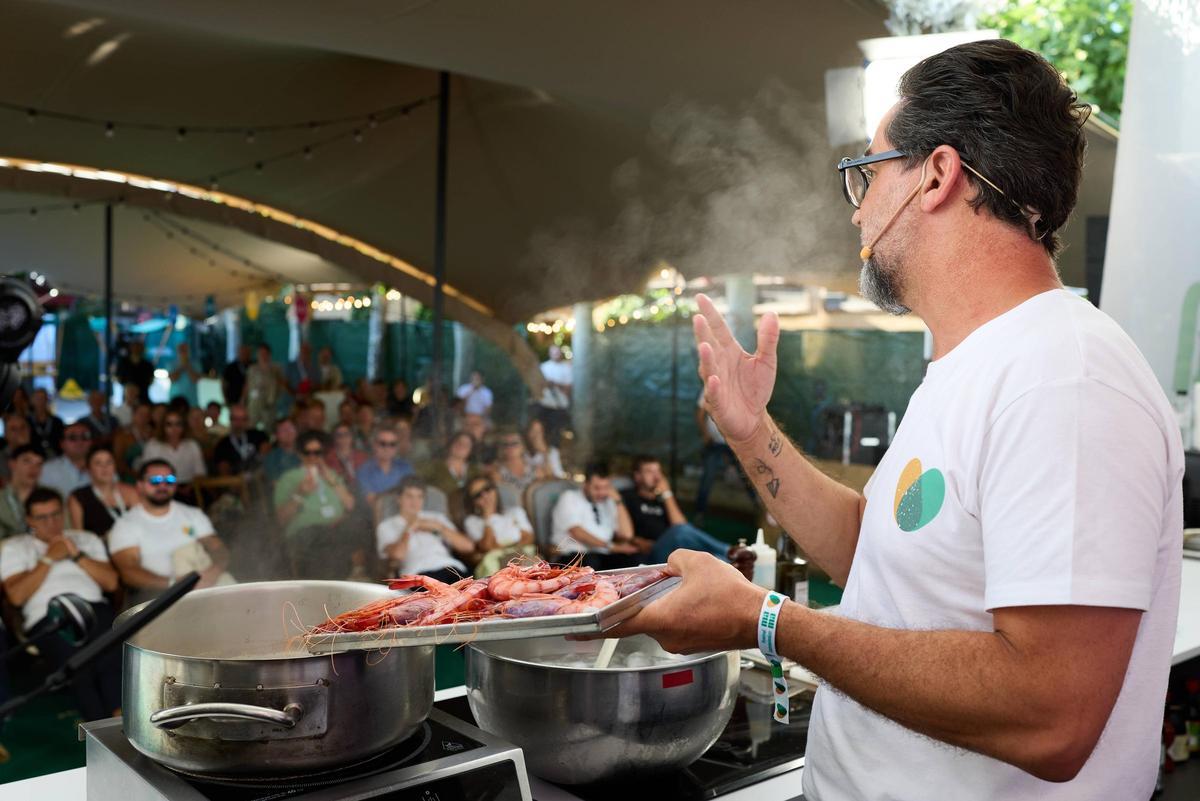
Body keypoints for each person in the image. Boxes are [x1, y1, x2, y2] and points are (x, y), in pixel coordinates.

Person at [617, 40, 1182, 801]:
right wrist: (752, 432)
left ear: (937, 176)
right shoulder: (970, 364)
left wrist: (766, 619)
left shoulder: (1064, 379)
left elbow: (1050, 715)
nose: (859, 206)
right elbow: (879, 559)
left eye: (869, 172)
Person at [0, 487, 121, 721]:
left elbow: (111, 582)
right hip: (49, 615)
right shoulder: (16, 547)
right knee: (78, 664)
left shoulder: (85, 539)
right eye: (42, 518)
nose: (51, 523)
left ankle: (121, 719)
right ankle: (100, 728)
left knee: (111, 654)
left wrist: (76, 555)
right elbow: (16, 596)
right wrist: (48, 558)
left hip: (93, 606)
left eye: (56, 514)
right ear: (29, 520)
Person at [109, 459, 231, 605]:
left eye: (170, 480)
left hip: (206, 585)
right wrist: (175, 583)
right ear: (139, 486)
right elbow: (128, 572)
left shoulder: (192, 514)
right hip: (158, 597)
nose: (163, 485)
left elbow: (219, 549)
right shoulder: (126, 525)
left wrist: (213, 573)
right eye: (155, 480)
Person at [274, 431, 359, 578]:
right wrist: (299, 493)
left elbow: (350, 504)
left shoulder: (330, 474)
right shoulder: (289, 478)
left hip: (336, 528)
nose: (313, 457)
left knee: (356, 527)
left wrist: (331, 480)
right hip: (306, 532)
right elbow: (281, 519)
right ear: (300, 454)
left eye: (318, 453)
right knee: (325, 547)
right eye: (308, 453)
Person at [620, 455, 729, 562]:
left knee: (718, 559)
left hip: (673, 551)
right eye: (649, 472)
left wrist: (667, 494)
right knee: (679, 531)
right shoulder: (628, 497)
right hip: (650, 554)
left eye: (658, 471)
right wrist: (635, 541)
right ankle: (729, 551)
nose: (657, 477)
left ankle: (729, 556)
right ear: (637, 476)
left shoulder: (664, 499)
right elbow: (679, 529)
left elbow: (681, 525)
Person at [376, 476, 474, 582]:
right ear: (398, 498)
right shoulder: (386, 526)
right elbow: (398, 555)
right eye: (409, 496)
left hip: (450, 567)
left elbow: (468, 547)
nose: (415, 502)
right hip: (418, 573)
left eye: (420, 497)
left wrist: (439, 527)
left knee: (472, 591)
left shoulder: (436, 518)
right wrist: (410, 528)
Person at [549, 461, 639, 570]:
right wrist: (612, 547)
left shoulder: (609, 502)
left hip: (602, 555)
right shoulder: (570, 498)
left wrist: (618, 500)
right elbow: (577, 532)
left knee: (634, 559)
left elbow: (627, 535)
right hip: (573, 556)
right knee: (592, 562)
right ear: (586, 484)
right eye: (596, 488)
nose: (601, 492)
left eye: (606, 487)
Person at [694, 390, 756, 521]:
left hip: (735, 443)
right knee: (708, 477)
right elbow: (700, 414)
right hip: (715, 443)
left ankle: (762, 513)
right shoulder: (709, 388)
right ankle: (699, 514)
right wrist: (706, 435)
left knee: (748, 477)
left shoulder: (740, 388)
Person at [463, 476, 535, 577]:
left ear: (495, 490)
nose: (485, 495)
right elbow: (487, 546)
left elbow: (529, 538)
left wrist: (499, 546)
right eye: (478, 495)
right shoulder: (472, 522)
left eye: (487, 489)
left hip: (523, 555)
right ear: (473, 502)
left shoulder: (515, 512)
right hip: (498, 562)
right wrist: (488, 518)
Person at [69, 445, 140, 540]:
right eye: (98, 463)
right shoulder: (78, 497)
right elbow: (79, 536)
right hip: (98, 550)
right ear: (88, 468)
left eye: (109, 462)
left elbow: (142, 524)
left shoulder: (130, 491)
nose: (105, 467)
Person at [421, 431, 484, 524]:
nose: (461, 446)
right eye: (458, 442)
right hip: (440, 516)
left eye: (466, 444)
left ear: (471, 450)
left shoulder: (476, 471)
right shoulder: (433, 467)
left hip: (471, 518)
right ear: (450, 444)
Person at [139, 410, 207, 486]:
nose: (174, 428)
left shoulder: (192, 445)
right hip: (161, 487)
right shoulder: (153, 445)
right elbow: (146, 474)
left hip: (190, 488)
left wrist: (189, 487)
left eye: (178, 424)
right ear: (163, 426)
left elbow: (200, 473)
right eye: (169, 424)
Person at [356, 425, 414, 510]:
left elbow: (414, 495)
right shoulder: (364, 471)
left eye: (392, 444)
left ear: (396, 447)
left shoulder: (405, 467)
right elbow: (373, 503)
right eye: (383, 444)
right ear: (374, 445)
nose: (387, 448)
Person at [0, 445, 44, 540]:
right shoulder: (1, 499)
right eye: (27, 461)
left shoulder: (50, 498)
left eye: (39, 464)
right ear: (12, 464)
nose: (33, 469)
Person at [40, 422, 92, 500]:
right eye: (72, 437)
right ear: (62, 444)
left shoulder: (104, 466)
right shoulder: (47, 470)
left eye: (85, 436)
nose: (79, 441)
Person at [213, 404, 269, 476]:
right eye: (235, 419)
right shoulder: (222, 444)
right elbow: (223, 470)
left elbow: (267, 455)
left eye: (243, 419)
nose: (239, 423)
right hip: (236, 482)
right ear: (230, 420)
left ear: (248, 420)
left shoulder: (259, 435)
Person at [243, 343, 286, 431]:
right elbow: (247, 385)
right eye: (260, 353)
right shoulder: (252, 369)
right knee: (251, 425)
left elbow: (282, 384)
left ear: (269, 354)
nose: (263, 356)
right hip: (254, 402)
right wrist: (243, 400)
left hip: (269, 403)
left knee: (268, 427)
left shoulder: (276, 368)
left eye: (265, 353)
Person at [537, 345, 573, 446]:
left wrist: (555, 384)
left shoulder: (566, 368)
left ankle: (554, 451)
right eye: (553, 352)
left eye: (557, 352)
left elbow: (568, 387)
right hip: (545, 404)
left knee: (556, 431)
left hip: (560, 405)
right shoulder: (543, 367)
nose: (556, 354)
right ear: (549, 353)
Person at [114, 403, 154, 481]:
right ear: (133, 415)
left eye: (147, 414)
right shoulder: (122, 436)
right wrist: (134, 474)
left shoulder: (154, 434)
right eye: (141, 414)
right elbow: (118, 461)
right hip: (130, 478)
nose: (144, 417)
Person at [326, 422, 368, 488]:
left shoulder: (362, 456)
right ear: (334, 438)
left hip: (362, 490)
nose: (343, 438)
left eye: (347, 434)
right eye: (339, 435)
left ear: (352, 436)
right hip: (340, 490)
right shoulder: (328, 458)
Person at [27, 387, 65, 457]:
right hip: (34, 458)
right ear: (32, 400)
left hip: (56, 457)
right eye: (37, 398)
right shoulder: (26, 422)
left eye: (43, 398)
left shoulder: (57, 421)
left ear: (47, 400)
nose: (40, 401)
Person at [263, 418, 301, 485]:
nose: (288, 432)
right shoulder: (272, 457)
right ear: (277, 435)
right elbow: (276, 484)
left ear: (297, 431)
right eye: (283, 430)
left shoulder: (308, 451)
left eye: (290, 428)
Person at [0, 412, 32, 483]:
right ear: (5, 434)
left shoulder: (45, 452)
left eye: (23, 427)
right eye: (13, 429)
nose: (19, 432)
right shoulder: (1, 458)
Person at [168, 342, 200, 407]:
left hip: (191, 399)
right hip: (175, 398)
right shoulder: (171, 364)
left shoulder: (196, 364)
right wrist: (181, 367)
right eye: (181, 350)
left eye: (185, 350)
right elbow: (173, 379)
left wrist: (187, 366)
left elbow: (195, 379)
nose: (183, 352)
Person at [222, 344, 252, 408]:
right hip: (233, 399)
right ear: (238, 353)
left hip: (251, 401)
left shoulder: (253, 366)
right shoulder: (231, 367)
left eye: (246, 353)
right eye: (242, 353)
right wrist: (225, 398)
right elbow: (224, 383)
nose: (244, 354)